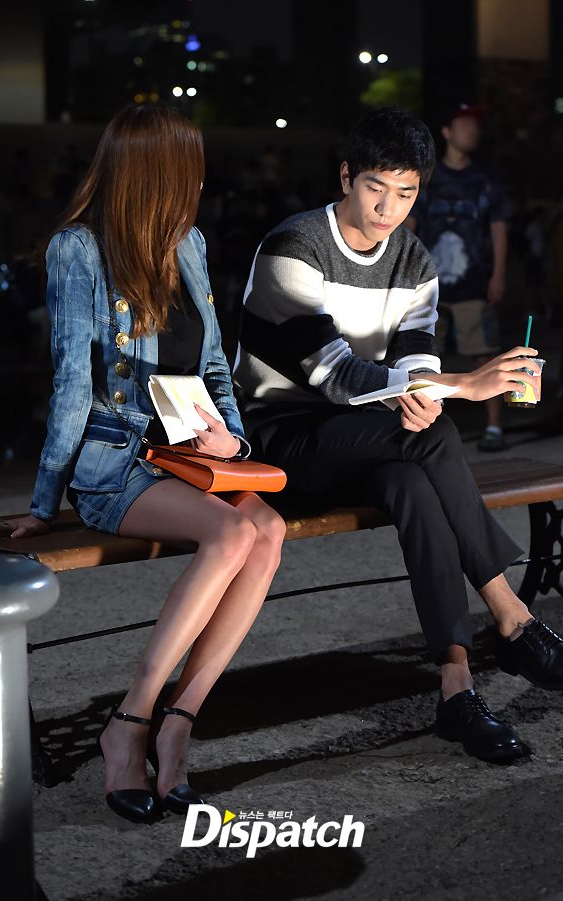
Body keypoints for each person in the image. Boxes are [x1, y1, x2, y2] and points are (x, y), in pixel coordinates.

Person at [0, 104, 286, 824]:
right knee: (233, 533)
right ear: (158, 174)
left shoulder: (190, 243)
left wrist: (234, 446)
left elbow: (213, 367)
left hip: (191, 455)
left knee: (267, 532)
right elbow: (71, 384)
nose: (200, 182)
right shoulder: (78, 249)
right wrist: (44, 504)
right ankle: (131, 722)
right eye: (190, 168)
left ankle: (179, 723)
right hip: (116, 462)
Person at [233, 105, 563, 764]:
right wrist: (462, 387)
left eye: (406, 193)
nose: (388, 208)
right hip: (279, 439)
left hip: (369, 434)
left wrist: (425, 398)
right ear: (346, 177)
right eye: (375, 188)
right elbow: (333, 375)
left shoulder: (413, 259)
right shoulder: (292, 248)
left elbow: (415, 369)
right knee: (431, 441)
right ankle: (512, 616)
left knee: (415, 478)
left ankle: (456, 688)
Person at [407, 103, 509, 452]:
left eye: (475, 125)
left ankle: (494, 427)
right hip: (428, 285)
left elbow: (498, 227)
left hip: (474, 281)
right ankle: (425, 427)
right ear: (447, 132)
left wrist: (498, 274)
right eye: (463, 124)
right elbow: (410, 224)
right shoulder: (427, 177)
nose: (471, 130)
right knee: (422, 354)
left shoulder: (486, 179)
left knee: (483, 352)